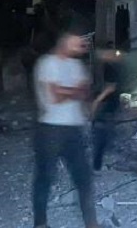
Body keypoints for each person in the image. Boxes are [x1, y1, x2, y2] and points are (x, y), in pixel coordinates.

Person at [32, 30, 99, 228]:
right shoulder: (47, 63)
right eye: (76, 43)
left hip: (74, 129)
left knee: (84, 178)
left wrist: (66, 91)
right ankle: (40, 223)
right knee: (45, 178)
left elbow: (84, 92)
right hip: (50, 129)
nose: (81, 47)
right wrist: (74, 91)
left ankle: (91, 223)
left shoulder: (77, 65)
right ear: (64, 42)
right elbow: (55, 98)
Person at [92, 44, 122, 171]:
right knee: (104, 129)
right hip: (108, 102)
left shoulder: (111, 66)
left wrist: (98, 100)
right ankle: (100, 159)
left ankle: (100, 159)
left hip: (109, 102)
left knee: (104, 129)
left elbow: (111, 87)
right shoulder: (108, 66)